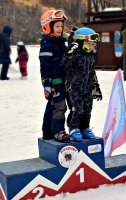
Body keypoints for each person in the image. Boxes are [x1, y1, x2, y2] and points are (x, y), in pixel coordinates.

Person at [62, 27, 102, 142]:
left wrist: (96, 86)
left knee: (88, 108)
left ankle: (84, 127)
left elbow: (92, 72)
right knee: (77, 109)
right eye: (89, 44)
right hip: (74, 88)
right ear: (81, 42)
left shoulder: (90, 56)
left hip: (87, 88)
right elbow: (64, 65)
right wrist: (68, 54)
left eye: (92, 44)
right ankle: (73, 128)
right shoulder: (75, 54)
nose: (91, 46)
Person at [39, 9, 70, 143]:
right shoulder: (47, 45)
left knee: (53, 105)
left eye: (61, 26)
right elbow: (44, 66)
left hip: (63, 81)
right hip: (54, 82)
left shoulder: (61, 42)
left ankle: (47, 132)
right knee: (60, 106)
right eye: (57, 26)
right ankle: (58, 131)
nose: (60, 28)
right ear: (47, 27)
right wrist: (47, 84)